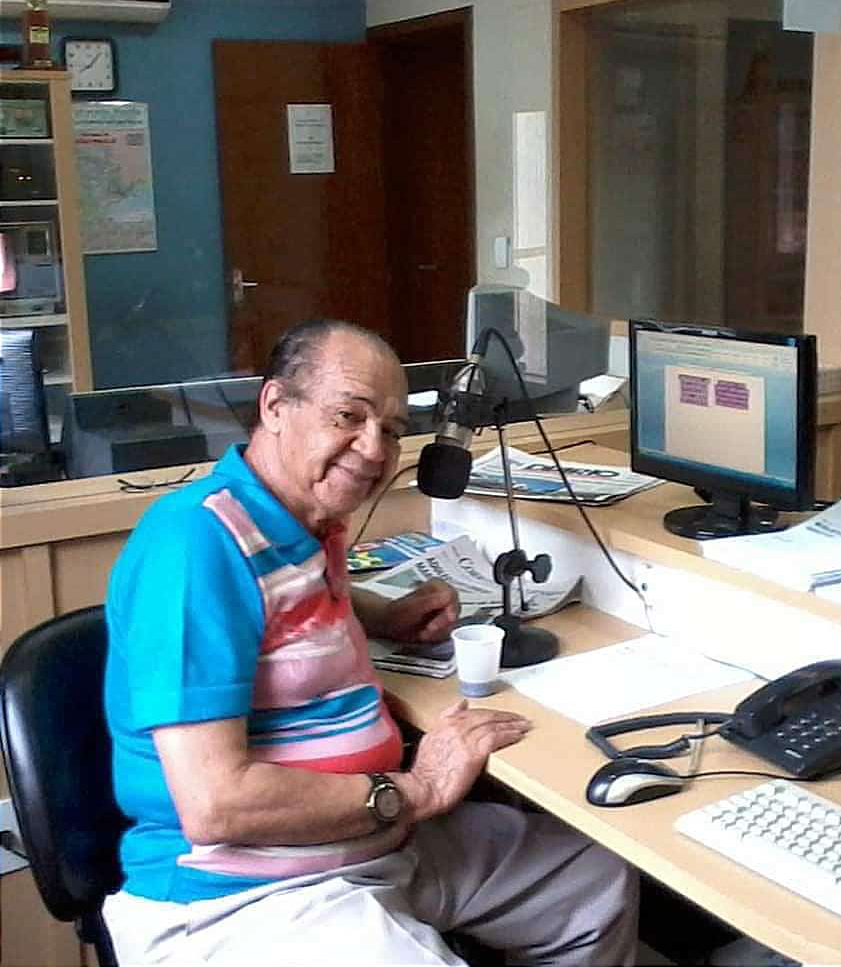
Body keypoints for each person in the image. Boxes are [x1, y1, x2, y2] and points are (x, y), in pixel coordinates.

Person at [102, 319, 639, 965]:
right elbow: (216, 805)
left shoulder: (306, 522)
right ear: (275, 406)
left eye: (391, 430)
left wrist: (384, 616)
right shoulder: (195, 544)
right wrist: (419, 788)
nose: (373, 448)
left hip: (374, 847)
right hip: (239, 897)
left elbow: (277, 603)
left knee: (595, 882)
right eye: (348, 417)